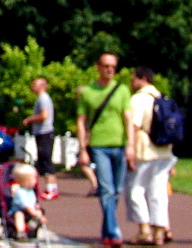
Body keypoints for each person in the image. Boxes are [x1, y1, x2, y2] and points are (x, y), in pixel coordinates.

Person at [77, 52, 133, 247]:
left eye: (113, 67)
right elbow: (81, 121)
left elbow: (128, 118)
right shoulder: (88, 92)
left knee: (117, 190)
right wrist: (82, 148)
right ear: (98, 67)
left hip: (120, 144)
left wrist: (131, 145)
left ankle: (107, 230)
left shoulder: (122, 90)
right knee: (107, 189)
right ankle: (114, 231)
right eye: (106, 66)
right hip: (99, 145)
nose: (110, 70)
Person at [126, 67, 177, 246]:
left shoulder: (139, 99)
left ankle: (144, 230)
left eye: (133, 79)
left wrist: (129, 148)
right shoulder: (162, 98)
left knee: (135, 190)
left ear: (142, 79)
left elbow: (133, 125)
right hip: (163, 152)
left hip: (144, 150)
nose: (132, 82)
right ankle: (159, 233)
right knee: (158, 193)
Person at [21, 77, 59, 200]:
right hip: (41, 133)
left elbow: (44, 115)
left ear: (42, 86)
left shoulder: (43, 98)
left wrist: (30, 119)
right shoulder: (41, 99)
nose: (32, 87)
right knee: (43, 160)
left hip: (45, 132)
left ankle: (51, 188)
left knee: (46, 160)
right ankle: (50, 187)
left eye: (34, 84)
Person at [7, 163, 48, 239]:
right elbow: (27, 206)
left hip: (30, 212)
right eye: (34, 178)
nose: (35, 181)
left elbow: (32, 202)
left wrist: (37, 207)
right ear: (26, 181)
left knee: (40, 211)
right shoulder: (20, 192)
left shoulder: (31, 191)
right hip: (19, 211)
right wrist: (37, 214)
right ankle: (21, 232)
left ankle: (32, 225)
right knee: (19, 215)